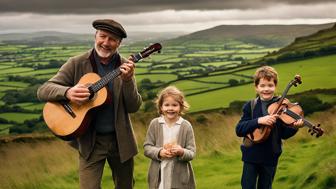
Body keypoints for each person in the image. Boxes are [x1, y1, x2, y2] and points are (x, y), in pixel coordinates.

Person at [37, 19, 142, 189]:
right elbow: (43, 90)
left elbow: (133, 107)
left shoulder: (125, 67)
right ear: (95, 36)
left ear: (119, 43)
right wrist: (67, 92)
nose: (106, 43)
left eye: (112, 39)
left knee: (125, 186)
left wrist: (128, 81)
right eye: (103, 36)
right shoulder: (77, 63)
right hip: (90, 142)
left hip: (120, 140)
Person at [235, 66, 303, 189]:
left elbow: (284, 134)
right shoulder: (250, 106)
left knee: (265, 186)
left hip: (270, 155)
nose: (266, 89)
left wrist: (295, 127)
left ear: (275, 86)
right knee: (247, 186)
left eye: (270, 85)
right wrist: (259, 120)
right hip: (251, 155)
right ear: (256, 87)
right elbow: (239, 129)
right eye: (262, 85)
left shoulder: (282, 106)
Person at [143, 86, 196, 189]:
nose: (170, 108)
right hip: (159, 175)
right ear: (161, 107)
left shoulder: (186, 126)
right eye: (166, 105)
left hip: (180, 176)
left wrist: (181, 151)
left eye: (174, 105)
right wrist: (159, 152)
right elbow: (147, 148)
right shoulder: (155, 124)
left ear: (180, 107)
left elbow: (192, 153)